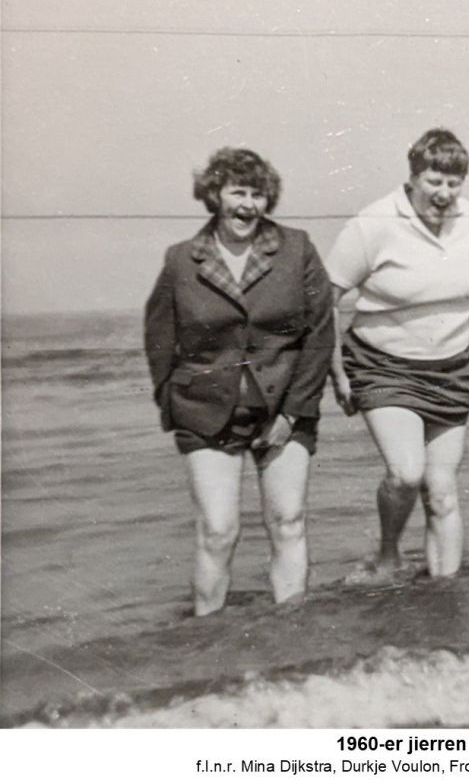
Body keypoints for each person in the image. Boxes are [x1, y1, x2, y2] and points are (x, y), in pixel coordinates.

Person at [144, 147, 334, 616]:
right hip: (206, 412)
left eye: (257, 194)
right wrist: (173, 403)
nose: (248, 205)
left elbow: (319, 335)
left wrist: (293, 413)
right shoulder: (181, 260)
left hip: (284, 408)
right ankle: (209, 641)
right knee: (217, 531)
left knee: (288, 522)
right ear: (215, 195)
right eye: (237, 192)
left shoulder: (297, 249)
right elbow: (159, 338)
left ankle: (292, 635)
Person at [326, 128, 469, 579]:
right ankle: (388, 553)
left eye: (454, 182)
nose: (444, 193)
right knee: (406, 473)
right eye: (434, 181)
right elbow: (324, 300)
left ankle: (445, 597)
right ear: (412, 177)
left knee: (443, 491)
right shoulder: (374, 223)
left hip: (453, 370)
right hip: (383, 367)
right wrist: (337, 373)